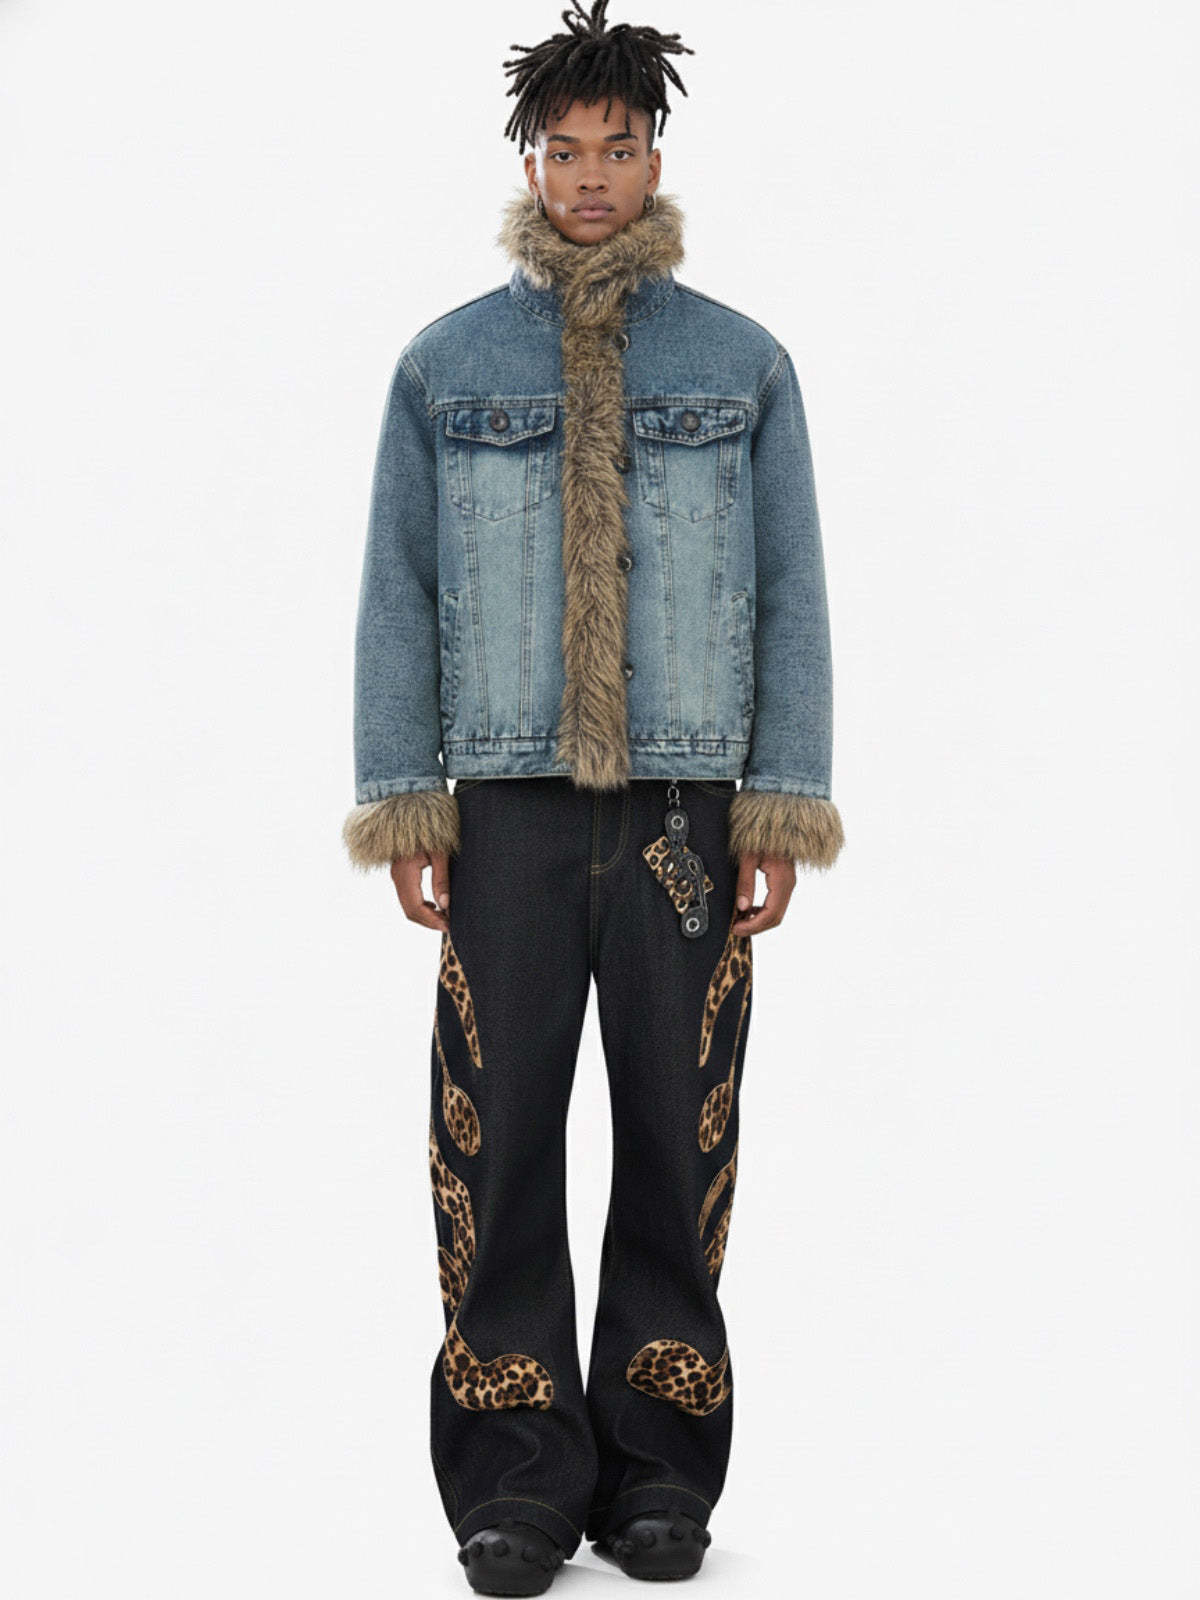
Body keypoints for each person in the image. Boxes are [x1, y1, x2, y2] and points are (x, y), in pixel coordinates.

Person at [341, 2, 844, 1591]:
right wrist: (406, 802)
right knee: (496, 1134)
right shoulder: (446, 366)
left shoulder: (743, 364)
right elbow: (397, 589)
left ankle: (659, 1469)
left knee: (679, 1134)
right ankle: (514, 1470)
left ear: (655, 158)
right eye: (564, 152)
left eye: (617, 149)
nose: (590, 177)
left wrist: (782, 803)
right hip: (503, 807)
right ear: (529, 163)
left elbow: (791, 590)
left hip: (687, 810)